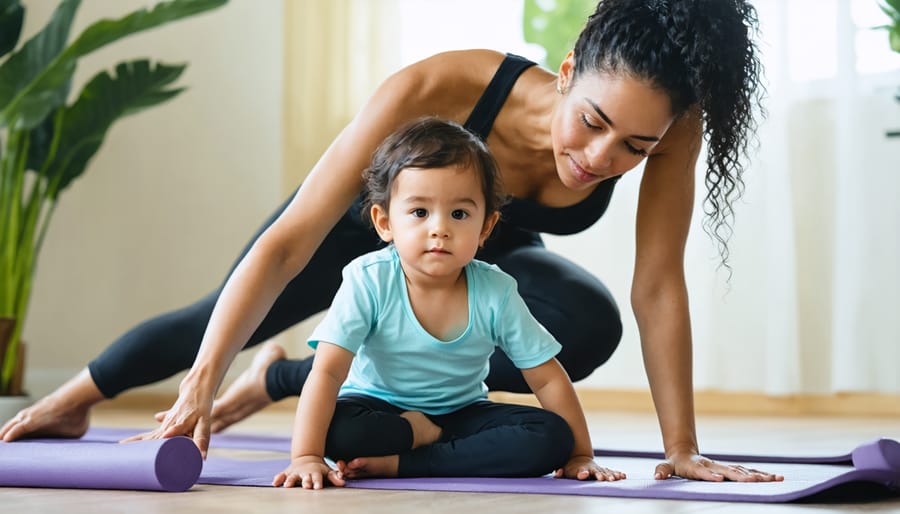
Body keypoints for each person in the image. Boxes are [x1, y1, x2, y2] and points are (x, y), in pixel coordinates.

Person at [2, 0, 783, 483]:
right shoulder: (442, 85)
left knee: (589, 320)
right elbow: (287, 243)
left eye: (633, 150)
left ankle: (304, 377)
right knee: (218, 316)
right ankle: (71, 402)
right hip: (356, 236)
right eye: (592, 123)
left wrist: (680, 447)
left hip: (479, 251)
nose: (600, 161)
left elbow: (656, 283)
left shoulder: (668, 125)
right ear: (572, 67)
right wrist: (200, 387)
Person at [272, 117, 619, 489]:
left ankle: (408, 463)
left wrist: (581, 454)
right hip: (377, 410)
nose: (440, 228)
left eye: (459, 214)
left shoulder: (495, 290)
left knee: (550, 436)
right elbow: (327, 372)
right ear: (385, 222)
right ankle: (414, 440)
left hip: (461, 414)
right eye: (420, 212)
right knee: (339, 432)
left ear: (485, 227)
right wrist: (306, 456)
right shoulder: (369, 279)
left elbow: (548, 378)